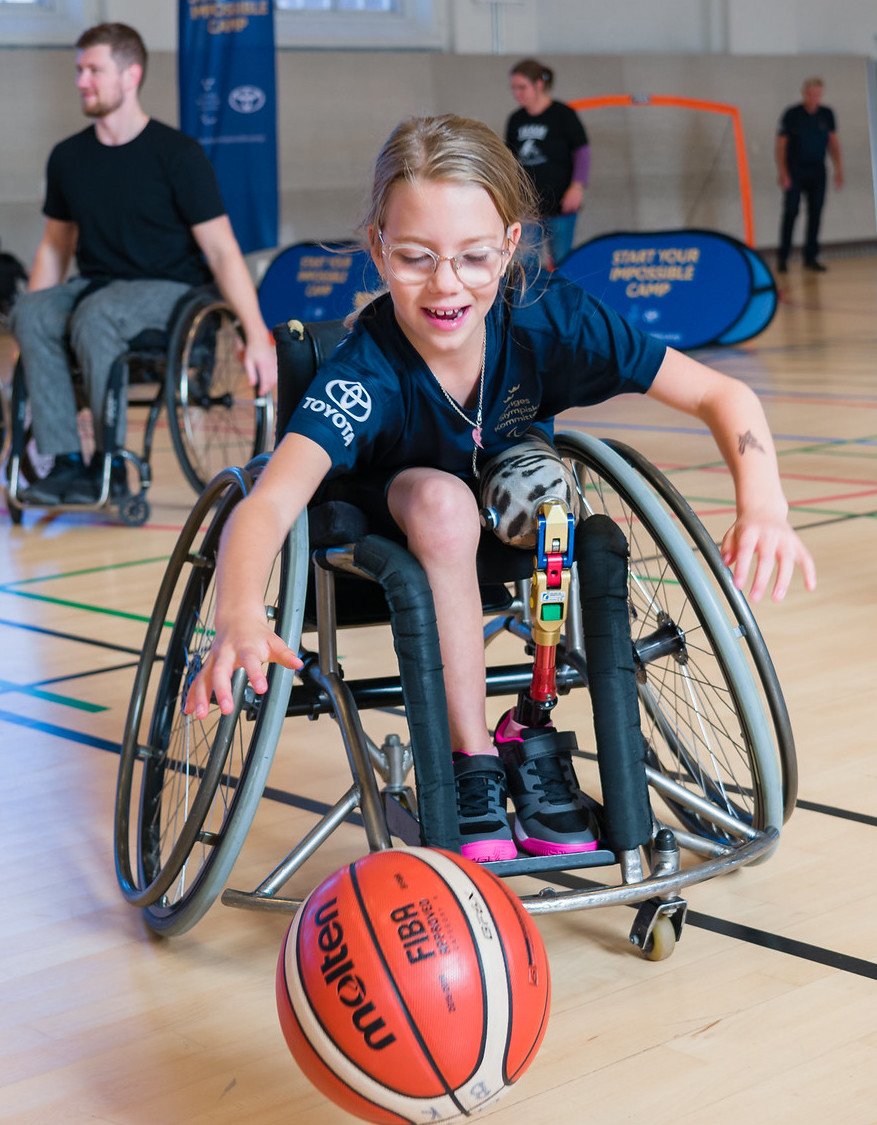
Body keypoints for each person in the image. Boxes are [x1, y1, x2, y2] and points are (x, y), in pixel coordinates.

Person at [185, 114, 816, 864]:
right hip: (388, 510)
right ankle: (471, 758)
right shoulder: (361, 370)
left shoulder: (552, 317)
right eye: (416, 258)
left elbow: (724, 397)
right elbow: (267, 503)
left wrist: (764, 506)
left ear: (511, 245)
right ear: (379, 248)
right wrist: (237, 614)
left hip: (508, 494)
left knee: (555, 492)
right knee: (442, 505)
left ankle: (532, 720)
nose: (446, 285)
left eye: (474, 258)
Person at [9, 22, 276, 506]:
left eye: (93, 70)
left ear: (130, 75)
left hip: (173, 294)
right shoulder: (68, 158)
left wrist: (254, 333)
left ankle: (107, 463)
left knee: (99, 311)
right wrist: (29, 337)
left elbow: (221, 250)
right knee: (31, 311)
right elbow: (54, 249)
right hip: (98, 287)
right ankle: (67, 462)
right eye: (79, 70)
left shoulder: (178, 155)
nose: (81, 81)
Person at [504, 59, 589, 268]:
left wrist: (577, 187)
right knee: (525, 263)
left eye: (522, 87)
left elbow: (583, 153)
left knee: (563, 262)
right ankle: (528, 301)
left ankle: (561, 301)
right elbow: (509, 159)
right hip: (528, 208)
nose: (517, 93)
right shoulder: (516, 119)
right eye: (514, 88)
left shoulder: (563, 115)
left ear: (538, 85)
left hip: (560, 206)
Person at [775, 77, 843, 273]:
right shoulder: (792, 114)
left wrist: (838, 169)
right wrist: (783, 172)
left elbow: (833, 143)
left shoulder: (826, 114)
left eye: (818, 94)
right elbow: (781, 145)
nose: (814, 98)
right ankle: (783, 257)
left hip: (817, 169)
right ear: (804, 93)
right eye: (811, 94)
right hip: (795, 169)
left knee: (816, 212)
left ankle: (810, 257)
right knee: (790, 212)